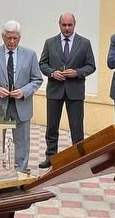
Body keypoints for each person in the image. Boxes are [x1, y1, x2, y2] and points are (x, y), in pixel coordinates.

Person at [0, 21, 43, 174]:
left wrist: (24, 91)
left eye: (15, 38)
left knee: (22, 141)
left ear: (19, 37)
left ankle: (20, 171)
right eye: (8, 38)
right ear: (3, 37)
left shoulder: (30, 55)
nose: (12, 42)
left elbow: (37, 79)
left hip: (21, 105)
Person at [38, 13, 97, 168]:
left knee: (77, 127)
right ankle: (51, 156)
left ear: (75, 24)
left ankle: (78, 158)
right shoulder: (50, 43)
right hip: (54, 91)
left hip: (75, 91)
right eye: (64, 25)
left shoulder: (84, 43)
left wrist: (77, 72)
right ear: (59, 24)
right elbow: (42, 64)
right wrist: (52, 73)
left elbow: (91, 66)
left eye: (70, 25)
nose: (67, 28)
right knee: (52, 126)